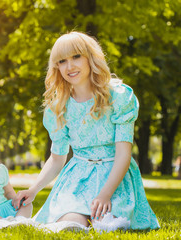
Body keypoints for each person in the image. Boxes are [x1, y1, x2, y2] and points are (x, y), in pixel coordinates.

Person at [12, 31, 159, 230]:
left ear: (90, 58)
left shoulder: (118, 97)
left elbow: (124, 154)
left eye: (76, 57)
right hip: (78, 180)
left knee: (109, 223)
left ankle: (109, 213)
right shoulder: (58, 107)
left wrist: (106, 194)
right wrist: (34, 189)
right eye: (62, 61)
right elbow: (57, 158)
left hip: (114, 177)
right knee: (70, 224)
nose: (70, 66)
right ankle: (76, 217)